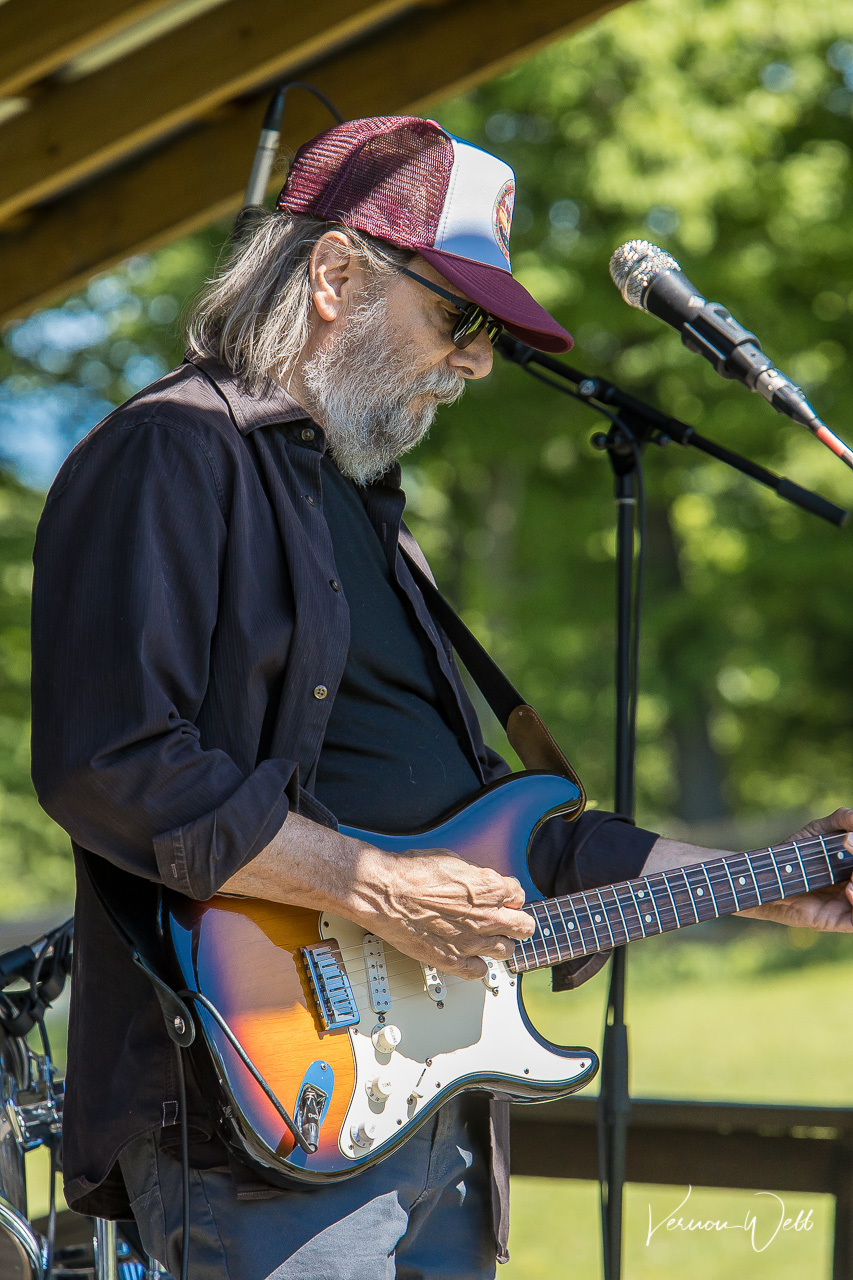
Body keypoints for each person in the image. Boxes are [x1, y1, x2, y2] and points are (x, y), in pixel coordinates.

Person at [30, 116, 853, 1280]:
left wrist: (774, 880)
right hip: (261, 1112)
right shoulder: (173, 449)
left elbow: (517, 847)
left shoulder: (365, 512)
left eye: (489, 336)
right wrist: (374, 885)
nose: (475, 362)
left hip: (437, 1115)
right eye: (457, 318)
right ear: (334, 276)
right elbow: (110, 760)